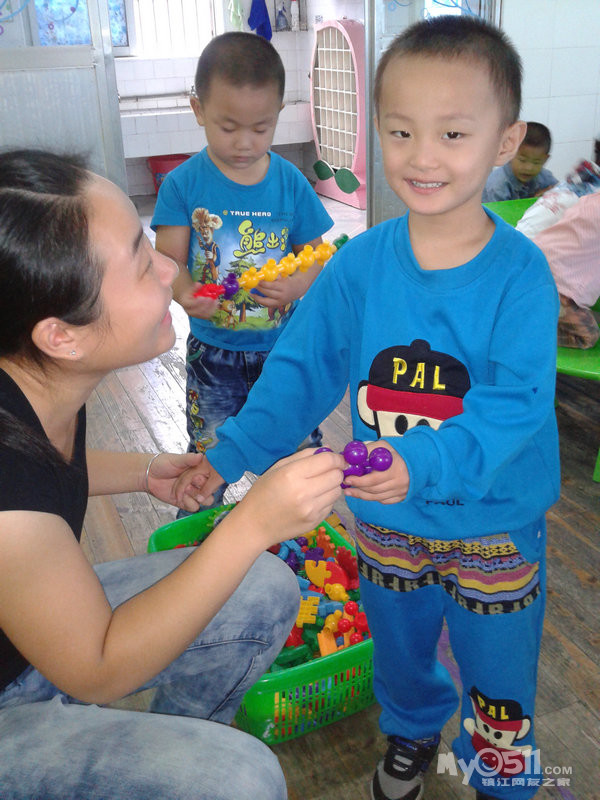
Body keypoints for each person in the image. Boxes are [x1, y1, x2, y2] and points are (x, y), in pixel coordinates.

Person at [194, 16, 560, 800]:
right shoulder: (358, 265)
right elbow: (301, 371)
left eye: (453, 133)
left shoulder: (521, 275)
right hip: (388, 521)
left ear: (505, 141)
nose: (422, 156)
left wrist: (419, 460)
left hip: (492, 523)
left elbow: (516, 404)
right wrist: (231, 452)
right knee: (399, 649)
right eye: (400, 131)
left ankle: (499, 768)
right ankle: (412, 731)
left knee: (498, 672)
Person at [0, 148, 346, 800]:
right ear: (61, 335)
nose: (169, 269)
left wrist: (145, 471)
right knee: (243, 780)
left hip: (34, 637)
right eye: (141, 262)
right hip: (23, 685)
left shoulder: (32, 385)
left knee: (265, 588)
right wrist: (252, 522)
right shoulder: (7, 499)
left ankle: (171, 747)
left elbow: (49, 475)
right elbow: (96, 670)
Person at [152, 32, 334, 508]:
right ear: (199, 109)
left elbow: (316, 255)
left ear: (277, 115)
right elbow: (168, 260)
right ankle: (203, 533)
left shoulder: (290, 182)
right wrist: (185, 292)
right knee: (208, 454)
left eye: (261, 128)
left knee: (297, 453)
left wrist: (295, 286)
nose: (244, 143)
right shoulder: (183, 184)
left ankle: (304, 530)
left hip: (285, 351)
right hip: (214, 355)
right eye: (228, 127)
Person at [533, 192, 600, 348]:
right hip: (554, 285)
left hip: (537, 265)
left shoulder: (590, 200)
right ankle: (520, 328)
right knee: (587, 336)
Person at [482, 121, 557, 202]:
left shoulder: (544, 177)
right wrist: (534, 202)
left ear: (545, 160)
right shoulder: (497, 186)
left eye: (536, 162)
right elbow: (493, 210)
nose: (529, 168)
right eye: (522, 160)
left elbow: (561, 191)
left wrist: (550, 193)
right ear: (510, 152)